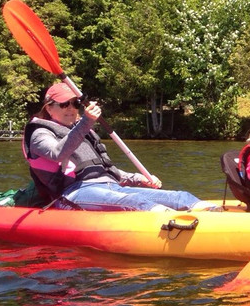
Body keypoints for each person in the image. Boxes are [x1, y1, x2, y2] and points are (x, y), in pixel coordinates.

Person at [23, 81, 207, 211]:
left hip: (110, 186)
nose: (71, 108)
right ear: (49, 108)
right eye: (64, 104)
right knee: (136, 202)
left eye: (75, 103)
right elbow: (57, 153)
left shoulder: (81, 131)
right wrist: (86, 121)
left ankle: (214, 216)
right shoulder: (40, 134)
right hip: (73, 193)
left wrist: (137, 178)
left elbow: (102, 170)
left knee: (180, 197)